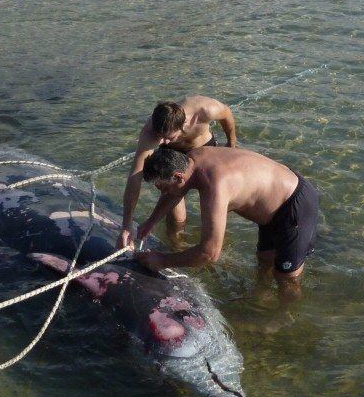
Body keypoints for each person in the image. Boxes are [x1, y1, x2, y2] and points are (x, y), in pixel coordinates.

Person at [132, 145, 319, 298]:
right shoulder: (191, 158)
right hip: (272, 208)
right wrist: (152, 221)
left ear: (179, 177)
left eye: (164, 188)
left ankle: (286, 318)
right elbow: (176, 191)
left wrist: (162, 260)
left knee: (286, 278)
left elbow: (210, 253)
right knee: (265, 261)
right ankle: (262, 299)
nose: (163, 194)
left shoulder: (214, 186)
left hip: (294, 206)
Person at [117, 96, 237, 249]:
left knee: (215, 201)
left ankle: (218, 243)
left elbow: (227, 114)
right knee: (175, 214)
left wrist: (231, 143)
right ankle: (176, 245)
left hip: (205, 149)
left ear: (183, 125)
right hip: (171, 155)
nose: (164, 142)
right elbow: (135, 176)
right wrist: (126, 225)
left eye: (169, 137)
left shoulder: (205, 110)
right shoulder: (152, 132)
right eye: (162, 137)